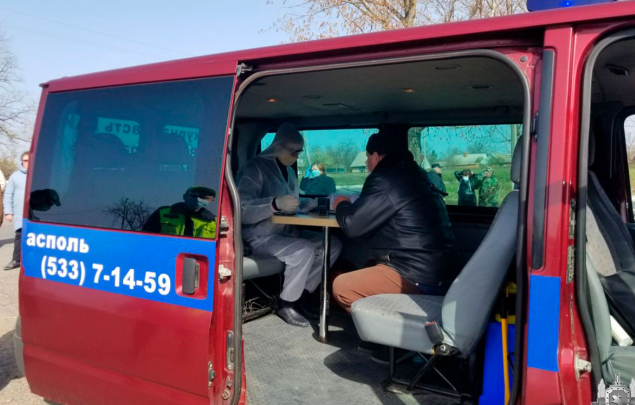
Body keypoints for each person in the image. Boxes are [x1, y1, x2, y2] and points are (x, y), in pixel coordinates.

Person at [332, 131, 456, 320]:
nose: (366, 163)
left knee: (342, 286)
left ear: (375, 156)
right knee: (367, 263)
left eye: (367, 158)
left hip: (417, 275)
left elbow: (352, 225)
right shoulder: (417, 174)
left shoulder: (384, 178)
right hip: (440, 270)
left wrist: (341, 203)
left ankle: (387, 330)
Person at [237, 123, 342, 327]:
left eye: (299, 152)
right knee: (304, 249)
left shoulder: (289, 172)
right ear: (278, 146)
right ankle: (286, 304)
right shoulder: (255, 168)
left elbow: (293, 200)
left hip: (284, 232)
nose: (296, 156)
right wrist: (273, 204)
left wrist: (311, 203)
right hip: (258, 236)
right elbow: (242, 209)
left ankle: (302, 294)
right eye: (293, 151)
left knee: (332, 245)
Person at [142, 186, 217, 238]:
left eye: (203, 197)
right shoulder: (163, 213)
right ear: (184, 196)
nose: (197, 199)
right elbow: (146, 239)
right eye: (194, 195)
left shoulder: (215, 222)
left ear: (212, 200)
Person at [4, 151, 29, 270]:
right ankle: (16, 260)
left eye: (29, 160)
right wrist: (8, 212)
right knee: (19, 235)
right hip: (20, 213)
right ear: (22, 162)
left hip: (36, 213)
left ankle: (33, 260)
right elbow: (8, 194)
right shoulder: (15, 176)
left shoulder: (39, 174)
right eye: (25, 160)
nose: (27, 163)